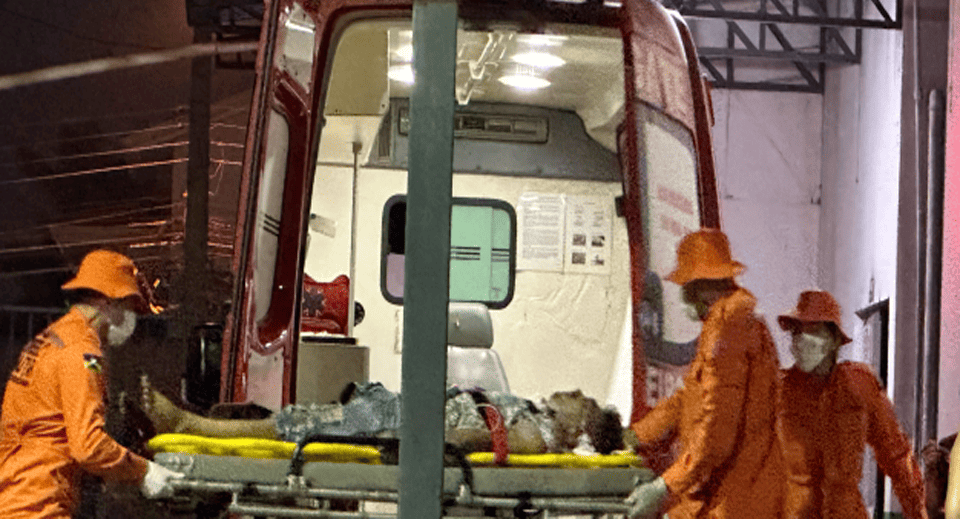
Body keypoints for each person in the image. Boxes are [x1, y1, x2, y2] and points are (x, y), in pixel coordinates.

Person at [0, 250, 183, 518]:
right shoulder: (83, 353)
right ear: (108, 300)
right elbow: (89, 446)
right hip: (38, 502)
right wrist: (144, 472)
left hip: (18, 491)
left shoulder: (57, 338)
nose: (132, 318)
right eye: (130, 307)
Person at [624, 228, 783, 519]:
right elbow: (689, 398)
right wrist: (636, 435)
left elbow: (716, 430)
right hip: (730, 491)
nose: (683, 297)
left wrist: (664, 486)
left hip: (734, 499)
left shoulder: (727, 326)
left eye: (685, 286)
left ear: (698, 286)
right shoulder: (731, 322)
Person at [140, 381, 624, 458]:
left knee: (296, 425)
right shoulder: (533, 418)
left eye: (583, 401)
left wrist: (406, 436)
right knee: (299, 418)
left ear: (580, 429)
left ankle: (188, 425)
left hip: (401, 423)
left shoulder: (535, 439)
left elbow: (467, 439)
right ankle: (190, 422)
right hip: (403, 409)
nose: (574, 392)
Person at [776, 290, 927, 519]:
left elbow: (896, 455)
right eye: (797, 332)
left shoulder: (858, 386)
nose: (801, 340)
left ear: (834, 339)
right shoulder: (778, 392)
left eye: (812, 331)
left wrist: (917, 512)